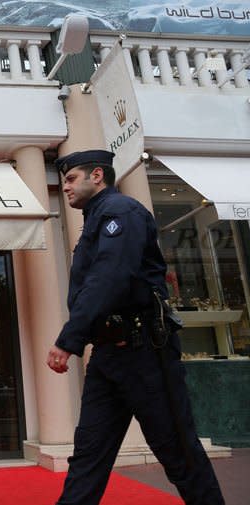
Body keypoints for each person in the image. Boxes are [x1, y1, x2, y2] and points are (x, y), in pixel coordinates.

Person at [46, 150, 224, 505]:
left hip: (145, 352)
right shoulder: (97, 218)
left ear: (97, 176)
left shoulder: (120, 213)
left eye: (70, 179)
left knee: (178, 452)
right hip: (109, 355)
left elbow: (109, 278)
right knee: (88, 455)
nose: (64, 187)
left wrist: (69, 339)